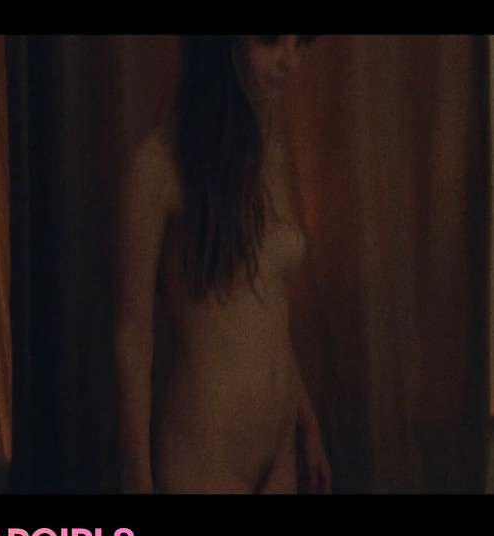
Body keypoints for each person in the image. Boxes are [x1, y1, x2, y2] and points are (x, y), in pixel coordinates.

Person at [114, 35, 331, 494]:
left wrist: (308, 423)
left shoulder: (270, 152)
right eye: (271, 40)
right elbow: (133, 338)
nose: (289, 60)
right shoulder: (156, 166)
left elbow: (266, 314)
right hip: (205, 454)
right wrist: (137, 482)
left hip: (280, 452)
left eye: (299, 43)